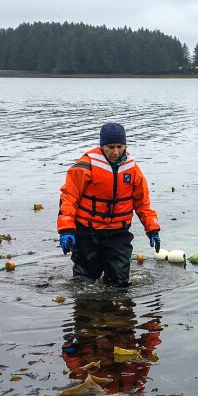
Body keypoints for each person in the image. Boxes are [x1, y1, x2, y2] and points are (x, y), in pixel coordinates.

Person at [57, 123, 161, 288]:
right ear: (102, 146)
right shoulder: (85, 166)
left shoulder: (132, 169)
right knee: (84, 283)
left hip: (118, 233)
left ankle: (117, 311)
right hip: (87, 232)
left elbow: (143, 203)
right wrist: (66, 230)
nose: (115, 152)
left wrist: (152, 229)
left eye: (120, 147)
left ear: (125, 146)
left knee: (120, 284)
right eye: (110, 147)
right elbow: (69, 198)